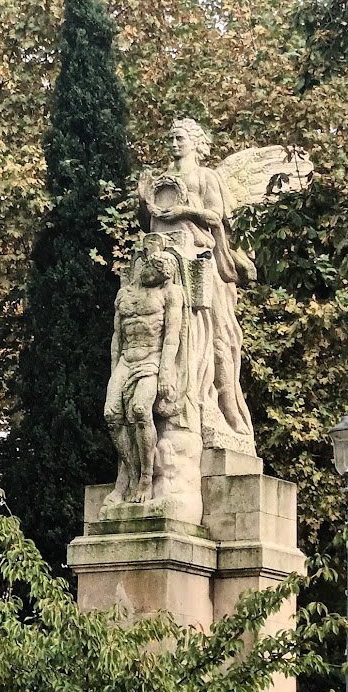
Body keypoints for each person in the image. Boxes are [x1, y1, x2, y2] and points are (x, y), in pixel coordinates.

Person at [138, 118, 254, 438]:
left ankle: (226, 408)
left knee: (218, 340)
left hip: (201, 263)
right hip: (165, 262)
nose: (174, 144)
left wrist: (185, 211)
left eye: (179, 138)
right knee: (161, 336)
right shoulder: (162, 179)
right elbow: (149, 219)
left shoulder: (206, 176)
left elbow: (216, 217)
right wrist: (142, 199)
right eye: (170, 138)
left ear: (195, 143)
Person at [104, 250, 183, 504]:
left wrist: (166, 371)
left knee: (139, 410)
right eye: (158, 272)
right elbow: (117, 337)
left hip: (151, 359)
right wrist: (115, 369)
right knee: (111, 415)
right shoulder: (124, 295)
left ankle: (147, 478)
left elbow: (172, 335)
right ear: (147, 267)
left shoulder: (170, 293)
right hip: (126, 360)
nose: (162, 278)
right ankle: (131, 472)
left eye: (166, 276)